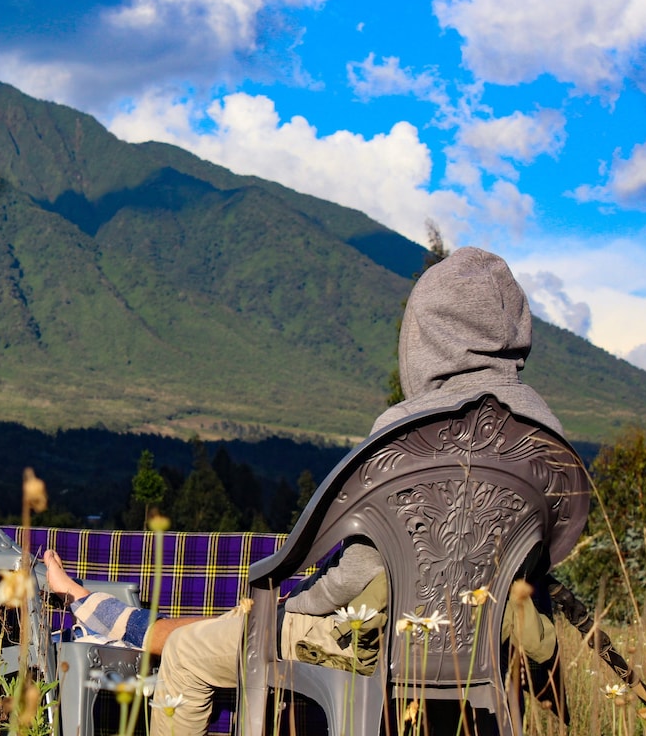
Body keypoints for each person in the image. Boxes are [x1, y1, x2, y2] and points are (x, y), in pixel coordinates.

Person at [50, 247, 566, 736]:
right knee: (220, 627)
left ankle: (88, 606)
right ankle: (91, 604)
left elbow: (361, 574)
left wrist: (297, 602)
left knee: (190, 652)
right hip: (487, 642)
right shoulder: (545, 433)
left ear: (424, 337)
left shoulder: (408, 429)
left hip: (374, 640)